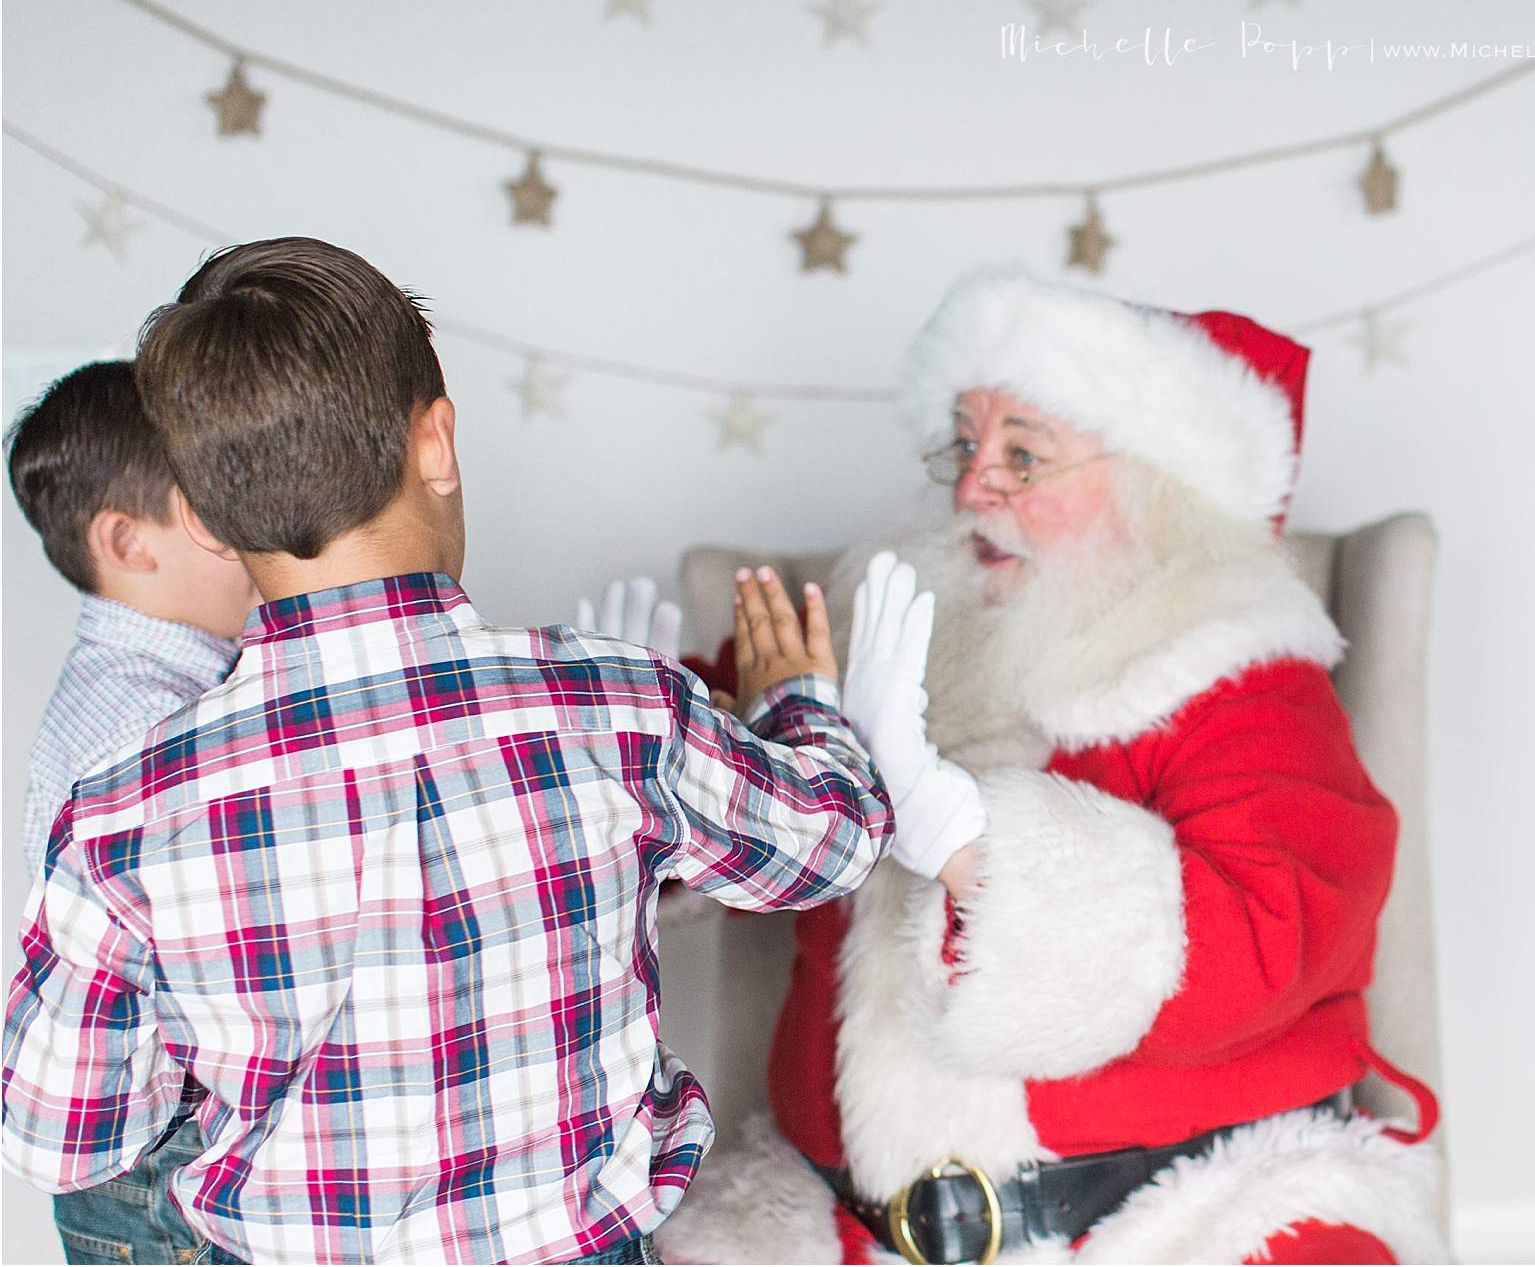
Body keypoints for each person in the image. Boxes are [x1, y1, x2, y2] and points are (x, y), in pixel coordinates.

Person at [0, 237, 944, 1265]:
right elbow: (829, 845)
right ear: (436, 442)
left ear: (212, 522)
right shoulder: (611, 704)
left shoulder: (125, 811)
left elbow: (61, 1136)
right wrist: (798, 704)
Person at [656, 267, 1448, 1264]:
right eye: (965, 443)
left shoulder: (1239, 678)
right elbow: (729, 748)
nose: (973, 483)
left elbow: (1270, 927)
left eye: (1023, 455)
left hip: (1184, 1221)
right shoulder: (882, 626)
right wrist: (629, 746)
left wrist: (969, 845)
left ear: (1160, 491)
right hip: (833, 1227)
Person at [5, 359, 260, 1264]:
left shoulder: (188, 680)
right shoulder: (149, 722)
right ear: (128, 541)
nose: (252, 523)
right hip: (156, 1168)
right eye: (215, 504)